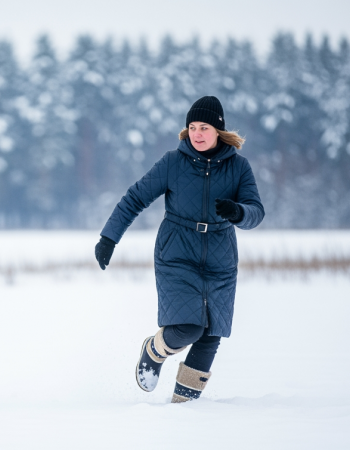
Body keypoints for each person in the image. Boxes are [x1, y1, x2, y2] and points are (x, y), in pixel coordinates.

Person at [94, 96, 264, 402]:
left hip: (220, 256)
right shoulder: (173, 162)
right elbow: (135, 198)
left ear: (218, 131)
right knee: (187, 328)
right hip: (177, 253)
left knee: (211, 333)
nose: (197, 133)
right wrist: (109, 238)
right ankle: (154, 350)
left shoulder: (239, 167)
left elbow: (256, 211)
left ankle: (184, 407)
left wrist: (238, 212)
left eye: (204, 127)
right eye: (192, 127)